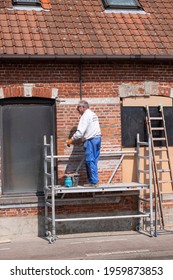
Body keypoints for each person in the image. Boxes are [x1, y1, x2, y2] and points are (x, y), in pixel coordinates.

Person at [66, 100, 101, 186]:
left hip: (90, 140)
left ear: (83, 107)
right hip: (97, 139)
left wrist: (71, 139)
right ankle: (93, 180)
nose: (77, 109)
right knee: (94, 160)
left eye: (78, 107)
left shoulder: (85, 116)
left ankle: (93, 182)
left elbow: (80, 132)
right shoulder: (93, 114)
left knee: (90, 160)